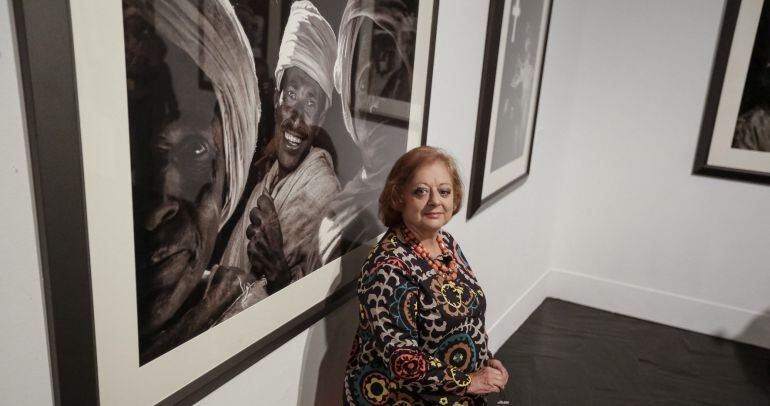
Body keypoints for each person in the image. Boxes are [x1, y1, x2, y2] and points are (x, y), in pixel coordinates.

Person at [125, 0, 261, 363]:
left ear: (229, 182)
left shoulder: (244, 310)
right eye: (125, 155)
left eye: (196, 152)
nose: (154, 213)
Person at [343, 146, 509, 405]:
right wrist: (470, 381)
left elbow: (467, 313)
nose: (435, 201)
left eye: (444, 191)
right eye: (421, 191)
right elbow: (403, 362)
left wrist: (484, 359)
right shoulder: (388, 268)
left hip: (455, 392)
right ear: (399, 197)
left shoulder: (447, 244)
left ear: (454, 198)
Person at [217, 0, 340, 316]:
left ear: (322, 116)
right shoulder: (270, 174)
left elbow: (306, 308)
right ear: (275, 97)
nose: (296, 119)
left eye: (311, 103)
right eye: (291, 95)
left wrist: (279, 278)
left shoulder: (321, 189)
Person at [318, 0, 419, 264]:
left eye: (393, 67)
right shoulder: (342, 204)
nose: (380, 99)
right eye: (363, 81)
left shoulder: (418, 205)